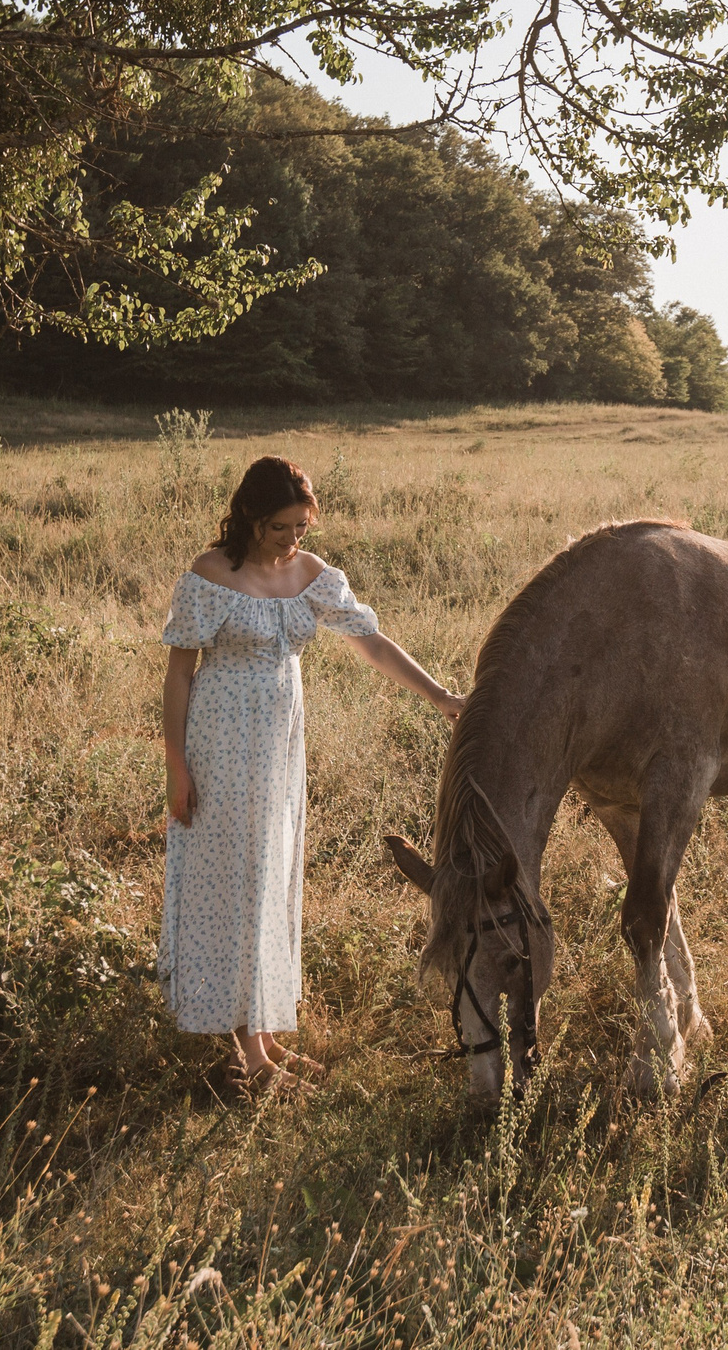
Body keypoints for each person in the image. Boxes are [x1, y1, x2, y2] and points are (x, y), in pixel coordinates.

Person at [159, 454, 462, 1090]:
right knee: (235, 881)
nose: (292, 539)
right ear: (248, 517)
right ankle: (250, 1056)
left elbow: (370, 641)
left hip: (279, 747)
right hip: (220, 742)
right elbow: (179, 674)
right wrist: (177, 767)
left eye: (301, 527)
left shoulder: (311, 573)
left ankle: (264, 1036)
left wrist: (439, 696)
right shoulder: (210, 575)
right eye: (280, 528)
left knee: (271, 878)